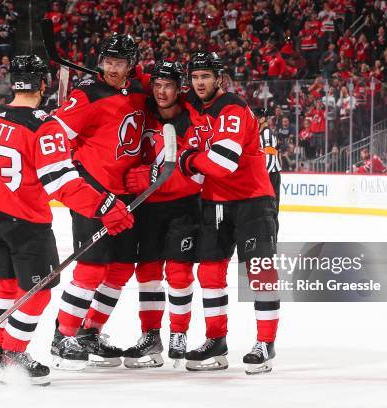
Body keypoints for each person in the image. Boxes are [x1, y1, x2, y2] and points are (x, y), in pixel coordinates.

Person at [0, 55, 133, 385]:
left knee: (5, 284)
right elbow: (62, 184)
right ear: (41, 84)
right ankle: (13, 355)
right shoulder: (43, 125)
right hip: (27, 223)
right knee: (37, 291)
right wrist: (105, 205)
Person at [50, 33, 147, 369]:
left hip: (126, 197)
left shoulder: (139, 91)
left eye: (119, 62)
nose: (112, 67)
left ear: (131, 65)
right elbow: (53, 134)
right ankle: (63, 336)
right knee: (91, 269)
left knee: (120, 270)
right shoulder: (86, 94)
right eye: (107, 61)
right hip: (92, 194)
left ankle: (90, 331)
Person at [180, 52, 280, 374]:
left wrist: (189, 160)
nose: (200, 83)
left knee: (260, 274)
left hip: (252, 200)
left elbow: (223, 164)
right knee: (209, 273)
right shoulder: (196, 107)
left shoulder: (232, 107)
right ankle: (216, 341)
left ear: (219, 78)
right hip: (215, 202)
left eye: (205, 77)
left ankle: (265, 342)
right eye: (195, 77)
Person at [119, 60, 202, 368]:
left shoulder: (193, 117)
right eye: (157, 86)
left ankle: (178, 334)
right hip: (149, 207)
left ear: (179, 88)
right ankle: (150, 336)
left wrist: (150, 176)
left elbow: (197, 171)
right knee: (148, 273)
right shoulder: (143, 115)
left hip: (184, 207)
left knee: (179, 273)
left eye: (168, 85)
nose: (161, 91)